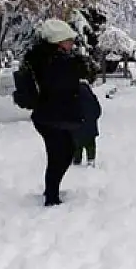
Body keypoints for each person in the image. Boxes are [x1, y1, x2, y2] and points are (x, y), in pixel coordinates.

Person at [13, 19, 91, 207]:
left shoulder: (45, 58)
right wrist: (77, 66)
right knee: (59, 154)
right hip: (51, 116)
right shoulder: (54, 61)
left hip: (49, 115)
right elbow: (63, 85)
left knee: (63, 152)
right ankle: (51, 197)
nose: (72, 43)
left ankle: (51, 191)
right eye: (68, 40)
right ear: (58, 41)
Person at [73, 78, 101, 167]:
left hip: (76, 126)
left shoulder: (72, 96)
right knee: (90, 144)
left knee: (77, 145)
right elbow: (98, 111)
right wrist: (92, 119)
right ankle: (91, 159)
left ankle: (76, 160)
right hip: (90, 127)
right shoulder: (91, 96)